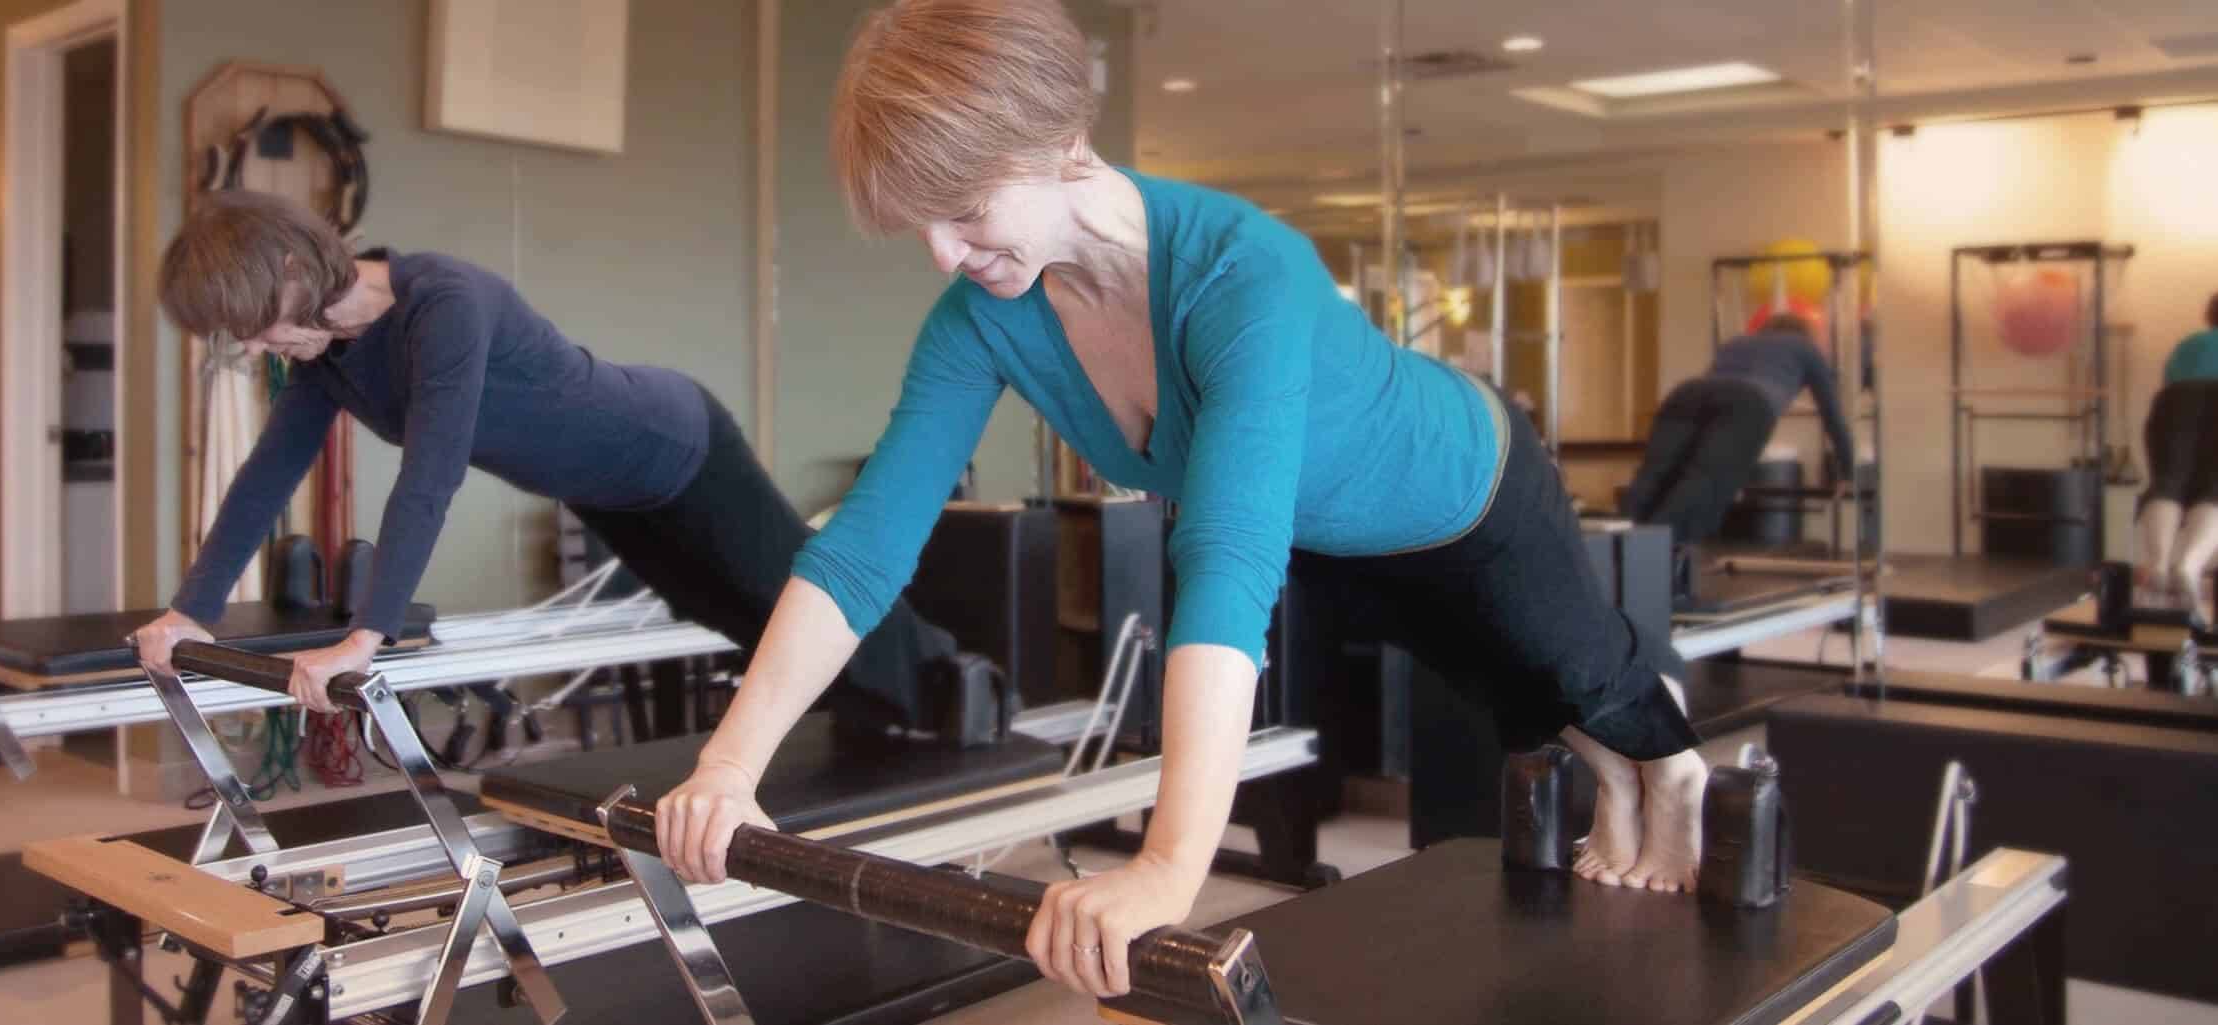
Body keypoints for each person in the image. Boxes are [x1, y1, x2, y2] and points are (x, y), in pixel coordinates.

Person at [651, 0, 1706, 1002]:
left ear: (1061, 145)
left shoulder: (1241, 270)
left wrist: (1165, 867)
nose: (940, 252)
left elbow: (1223, 556)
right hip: (1331, 532)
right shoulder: (980, 316)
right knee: (1501, 688)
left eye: (964, 210)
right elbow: (862, 547)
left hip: (1467, 482)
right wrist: (727, 763)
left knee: (1573, 665)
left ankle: (1674, 774)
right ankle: (1609, 780)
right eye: (920, 223)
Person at [130, 190, 960, 738]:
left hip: (679, 447)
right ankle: (881, 716)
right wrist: (189, 610)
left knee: (791, 604)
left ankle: (953, 684)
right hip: (607, 492)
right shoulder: (329, 359)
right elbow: (265, 477)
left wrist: (365, 637)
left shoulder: (443, 304)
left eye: (251, 320)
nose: (248, 345)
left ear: (293, 268)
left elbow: (431, 472)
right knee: (729, 613)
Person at [1619, 312, 1858, 558]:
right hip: (1748, 402)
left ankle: (1616, 542)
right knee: (1705, 479)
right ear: (1804, 332)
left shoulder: (1737, 343)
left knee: (1654, 474)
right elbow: (1832, 414)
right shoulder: (1806, 348)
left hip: (1686, 394)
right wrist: (1849, 472)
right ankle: (1649, 552)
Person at [2136, 296, 2218, 606]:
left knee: (2167, 484)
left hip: (2175, 401)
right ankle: (2190, 564)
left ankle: (2157, 563)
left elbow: (2170, 382)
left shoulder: (2189, 345)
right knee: (2215, 490)